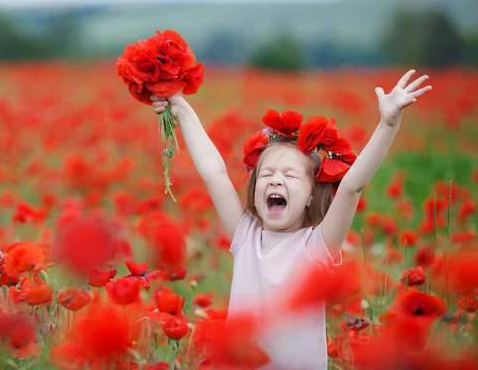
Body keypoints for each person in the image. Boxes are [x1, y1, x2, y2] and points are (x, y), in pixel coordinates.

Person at [151, 69, 432, 369]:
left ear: (313, 194)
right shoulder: (246, 236)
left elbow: (352, 186)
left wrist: (387, 124)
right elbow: (214, 172)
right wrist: (180, 107)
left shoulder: (317, 247)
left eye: (290, 175)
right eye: (267, 174)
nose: (275, 181)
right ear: (255, 186)